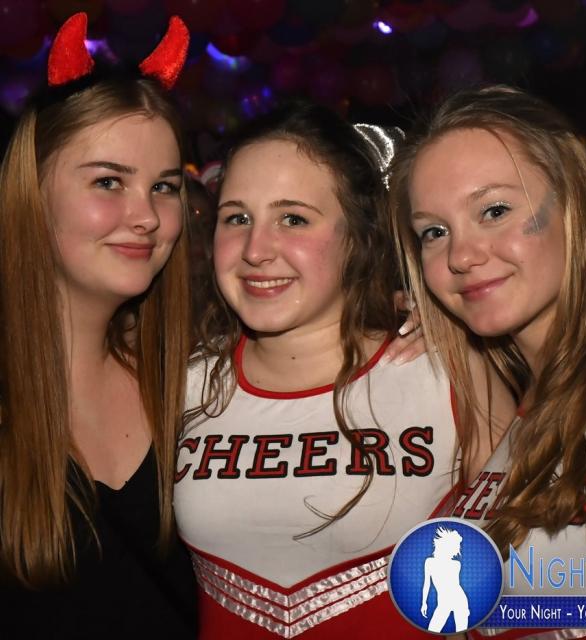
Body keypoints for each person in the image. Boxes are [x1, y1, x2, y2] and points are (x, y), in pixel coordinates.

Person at [172, 102, 507, 639]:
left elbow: (537, 583)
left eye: (293, 219)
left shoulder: (453, 372)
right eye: (237, 218)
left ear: (358, 234)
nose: (256, 250)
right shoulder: (180, 386)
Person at [390, 85, 586, 639]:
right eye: (434, 232)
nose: (460, 256)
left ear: (575, 206)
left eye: (495, 211)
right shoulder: (522, 407)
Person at [0, 13, 196, 639]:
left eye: (164, 186)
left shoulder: (198, 386)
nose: (147, 216)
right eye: (109, 181)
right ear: (31, 191)